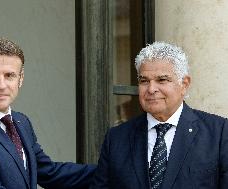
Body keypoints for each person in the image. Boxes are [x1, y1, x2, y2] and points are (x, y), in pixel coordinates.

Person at [0, 38, 96, 189]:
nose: (1, 85)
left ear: (20, 79)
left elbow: (49, 173)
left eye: (9, 75)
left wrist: (111, 169)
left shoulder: (20, 122)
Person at [90, 41, 228, 189]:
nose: (151, 89)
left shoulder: (219, 133)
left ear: (184, 84)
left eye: (162, 80)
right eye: (144, 81)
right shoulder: (117, 138)